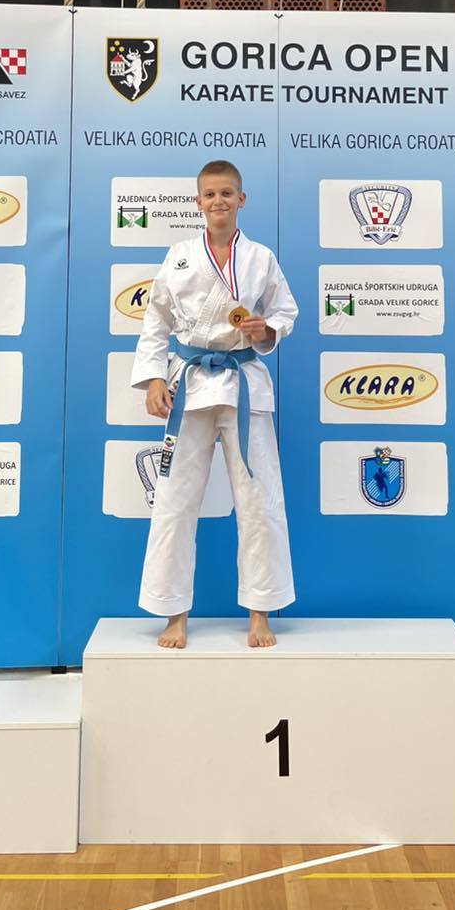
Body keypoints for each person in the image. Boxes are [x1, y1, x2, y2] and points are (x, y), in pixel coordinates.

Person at [132, 160, 297, 649]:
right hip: (189, 385)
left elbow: (285, 310)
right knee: (174, 499)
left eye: (227, 193)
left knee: (259, 500)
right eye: (210, 194)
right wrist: (153, 379)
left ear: (241, 199)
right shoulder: (180, 255)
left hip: (243, 381)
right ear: (198, 202)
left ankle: (260, 612)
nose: (218, 201)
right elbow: (156, 320)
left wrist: (266, 330)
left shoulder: (261, 257)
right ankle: (173, 613)